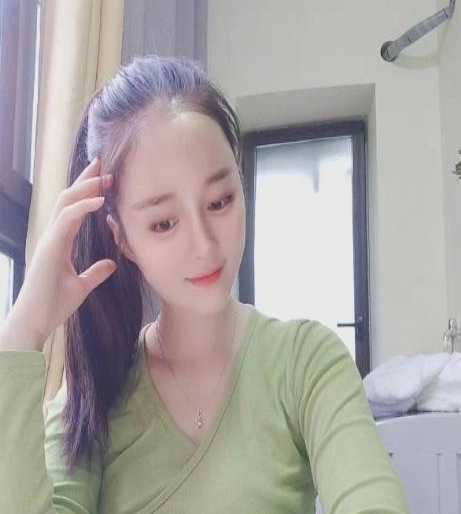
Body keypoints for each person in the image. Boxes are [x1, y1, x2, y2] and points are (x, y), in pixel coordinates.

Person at [0, 54, 409, 514]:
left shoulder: (305, 362)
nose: (204, 244)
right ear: (123, 239)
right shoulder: (94, 394)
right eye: (164, 223)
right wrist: (23, 331)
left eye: (220, 201)